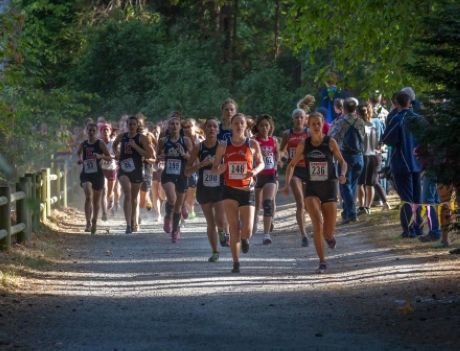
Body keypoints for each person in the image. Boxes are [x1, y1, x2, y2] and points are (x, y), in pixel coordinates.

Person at [282, 112, 347, 273]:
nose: (316, 127)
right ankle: (322, 262)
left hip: (330, 186)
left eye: (318, 124)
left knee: (328, 229)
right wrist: (286, 183)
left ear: (322, 124)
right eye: (313, 124)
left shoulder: (330, 142)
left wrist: (343, 174)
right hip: (312, 187)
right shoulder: (304, 144)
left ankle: (329, 237)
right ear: (308, 126)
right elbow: (291, 165)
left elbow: (342, 162)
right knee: (317, 223)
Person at [212, 113, 265, 273]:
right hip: (229, 190)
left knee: (247, 229)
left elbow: (262, 163)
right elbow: (215, 168)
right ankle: (236, 263)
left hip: (247, 190)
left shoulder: (253, 144)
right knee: (234, 227)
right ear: (231, 125)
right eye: (235, 123)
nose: (238, 125)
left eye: (241, 123)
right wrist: (220, 169)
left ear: (246, 126)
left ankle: (244, 238)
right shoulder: (223, 145)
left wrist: (254, 171)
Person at [382, 91, 423, 237]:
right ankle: (418, 227)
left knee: (407, 199)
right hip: (418, 164)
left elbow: (386, 138)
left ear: (397, 103)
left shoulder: (398, 119)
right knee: (417, 197)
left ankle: (408, 230)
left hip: (402, 164)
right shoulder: (419, 119)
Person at [186, 118, 227, 262]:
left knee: (220, 220)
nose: (211, 129)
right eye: (209, 126)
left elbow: (228, 165)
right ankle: (215, 251)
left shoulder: (223, 146)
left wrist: (218, 169)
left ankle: (222, 232)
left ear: (218, 130)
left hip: (220, 187)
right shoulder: (199, 147)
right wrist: (201, 164)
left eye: (214, 126)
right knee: (210, 222)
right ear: (204, 129)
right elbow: (187, 171)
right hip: (204, 188)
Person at [112, 116, 153, 234]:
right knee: (127, 193)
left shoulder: (142, 138)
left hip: (137, 170)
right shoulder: (122, 136)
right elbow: (115, 145)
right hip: (123, 169)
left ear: (137, 125)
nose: (131, 126)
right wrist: (117, 153)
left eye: (133, 124)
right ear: (127, 125)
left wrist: (135, 146)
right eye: (129, 124)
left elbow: (149, 154)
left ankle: (133, 220)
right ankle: (128, 225)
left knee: (134, 198)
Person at [329, 97, 365, 224]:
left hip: (346, 157)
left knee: (344, 186)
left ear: (343, 109)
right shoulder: (361, 121)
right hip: (360, 157)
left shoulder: (340, 122)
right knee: (352, 186)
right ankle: (346, 212)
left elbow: (330, 137)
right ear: (355, 108)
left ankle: (352, 213)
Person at [158, 117, 193, 242]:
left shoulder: (186, 140)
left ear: (180, 127)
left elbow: (192, 158)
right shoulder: (163, 140)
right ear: (168, 126)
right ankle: (168, 216)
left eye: (177, 124)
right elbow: (157, 156)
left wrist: (184, 155)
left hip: (182, 174)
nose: (174, 126)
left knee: (178, 206)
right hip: (168, 174)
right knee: (172, 199)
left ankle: (175, 230)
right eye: (171, 124)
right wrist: (161, 157)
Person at [280, 108, 310, 246]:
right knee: (300, 203)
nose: (298, 119)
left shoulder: (309, 133)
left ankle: (314, 226)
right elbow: (282, 150)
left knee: (310, 204)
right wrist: (283, 158)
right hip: (294, 170)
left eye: (301, 117)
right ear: (293, 119)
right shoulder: (288, 134)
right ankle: (304, 235)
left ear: (305, 119)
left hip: (308, 169)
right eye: (296, 117)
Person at [77, 123, 112, 234]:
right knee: (88, 196)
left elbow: (109, 158)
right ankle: (88, 223)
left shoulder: (100, 143)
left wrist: (100, 156)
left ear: (96, 132)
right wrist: (80, 159)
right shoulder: (83, 144)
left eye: (93, 130)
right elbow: (78, 153)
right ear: (86, 131)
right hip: (86, 173)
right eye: (89, 130)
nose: (91, 132)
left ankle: (94, 221)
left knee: (96, 201)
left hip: (97, 174)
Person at [253, 114, 279, 244]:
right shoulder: (254, 141)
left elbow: (276, 155)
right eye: (261, 125)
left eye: (266, 125)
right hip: (258, 175)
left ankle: (266, 234)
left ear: (270, 127)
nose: (264, 128)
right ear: (257, 127)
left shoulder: (274, 141)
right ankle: (254, 224)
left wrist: (277, 163)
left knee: (267, 203)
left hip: (270, 175)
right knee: (257, 204)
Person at [356, 103, 384, 215]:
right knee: (369, 184)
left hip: (363, 156)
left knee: (360, 183)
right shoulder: (372, 125)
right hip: (372, 156)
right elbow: (377, 143)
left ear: (358, 114)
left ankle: (362, 206)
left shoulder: (358, 127)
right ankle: (367, 207)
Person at [182, 118, 204, 220]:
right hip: (186, 169)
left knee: (193, 191)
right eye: (185, 127)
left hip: (201, 169)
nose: (187, 129)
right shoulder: (181, 140)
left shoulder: (201, 139)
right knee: (186, 190)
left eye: (189, 126)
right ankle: (186, 210)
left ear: (195, 127)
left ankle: (190, 208)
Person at [99, 123, 118, 218]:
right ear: (100, 132)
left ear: (110, 132)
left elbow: (118, 155)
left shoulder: (113, 143)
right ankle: (104, 212)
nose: (105, 132)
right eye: (103, 130)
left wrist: (111, 157)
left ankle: (111, 200)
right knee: (104, 190)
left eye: (107, 130)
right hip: (102, 169)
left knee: (110, 192)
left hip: (111, 169)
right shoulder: (98, 143)